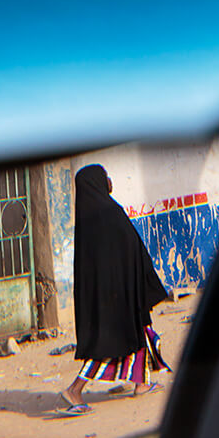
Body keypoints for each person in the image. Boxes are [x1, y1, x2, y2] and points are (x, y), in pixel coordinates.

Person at [59, 164, 170, 416]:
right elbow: (130, 246)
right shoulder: (109, 212)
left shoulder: (88, 218)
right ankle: (75, 389)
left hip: (111, 292)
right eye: (105, 176)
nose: (109, 181)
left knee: (139, 330)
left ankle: (141, 383)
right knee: (111, 342)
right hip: (119, 292)